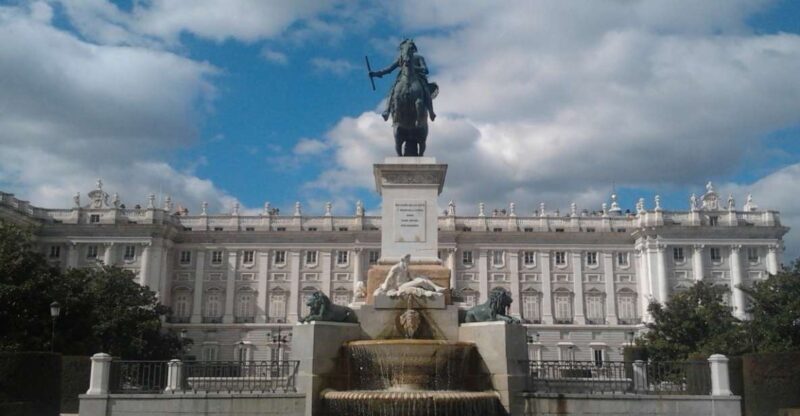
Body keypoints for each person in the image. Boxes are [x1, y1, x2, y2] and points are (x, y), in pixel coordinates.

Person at [370, 39, 437, 122]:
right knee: (392, 89)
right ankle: (387, 111)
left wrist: (413, 67)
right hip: (402, 78)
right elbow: (389, 69)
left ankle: (431, 112)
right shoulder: (400, 59)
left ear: (413, 49)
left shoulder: (419, 58)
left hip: (418, 78)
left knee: (425, 89)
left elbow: (425, 69)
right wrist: (376, 74)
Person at [374, 254, 446, 298]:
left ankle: (436, 288)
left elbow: (411, 277)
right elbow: (389, 277)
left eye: (409, 261)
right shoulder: (396, 267)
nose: (408, 262)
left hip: (405, 284)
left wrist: (417, 278)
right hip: (401, 287)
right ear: (403, 260)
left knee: (422, 279)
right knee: (421, 281)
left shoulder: (406, 268)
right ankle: (436, 288)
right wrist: (385, 287)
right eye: (407, 261)